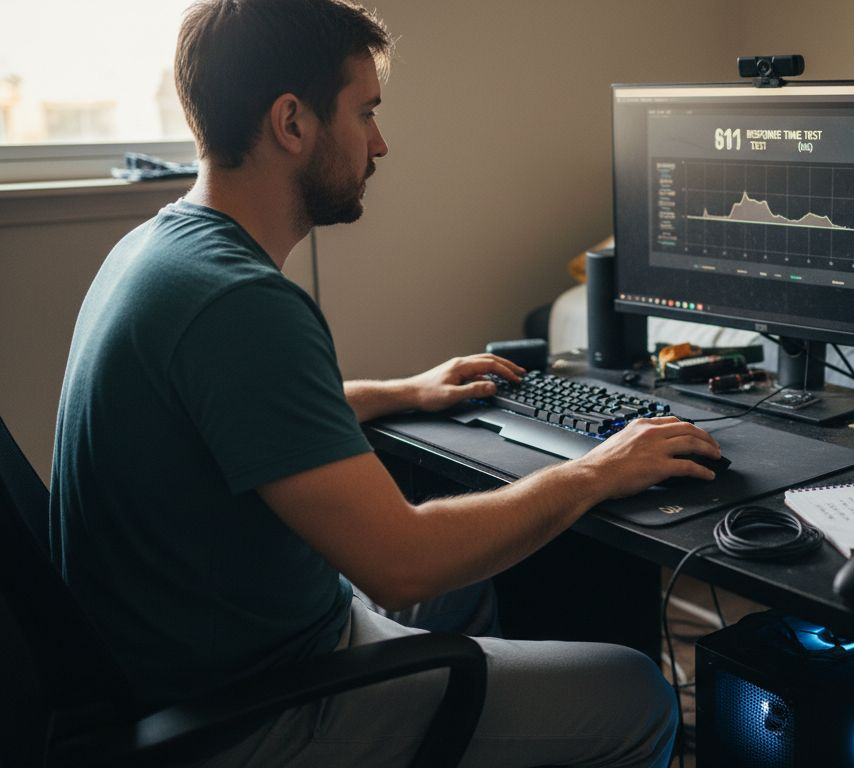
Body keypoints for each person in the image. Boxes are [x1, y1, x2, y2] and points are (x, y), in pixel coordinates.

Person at [47, 1, 722, 765]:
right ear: (292, 123)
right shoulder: (241, 304)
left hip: (194, 663)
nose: (380, 142)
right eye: (364, 113)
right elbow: (402, 563)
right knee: (637, 693)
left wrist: (404, 390)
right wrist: (597, 471)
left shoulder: (160, 251)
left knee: (470, 593)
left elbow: (240, 421)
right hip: (254, 714)